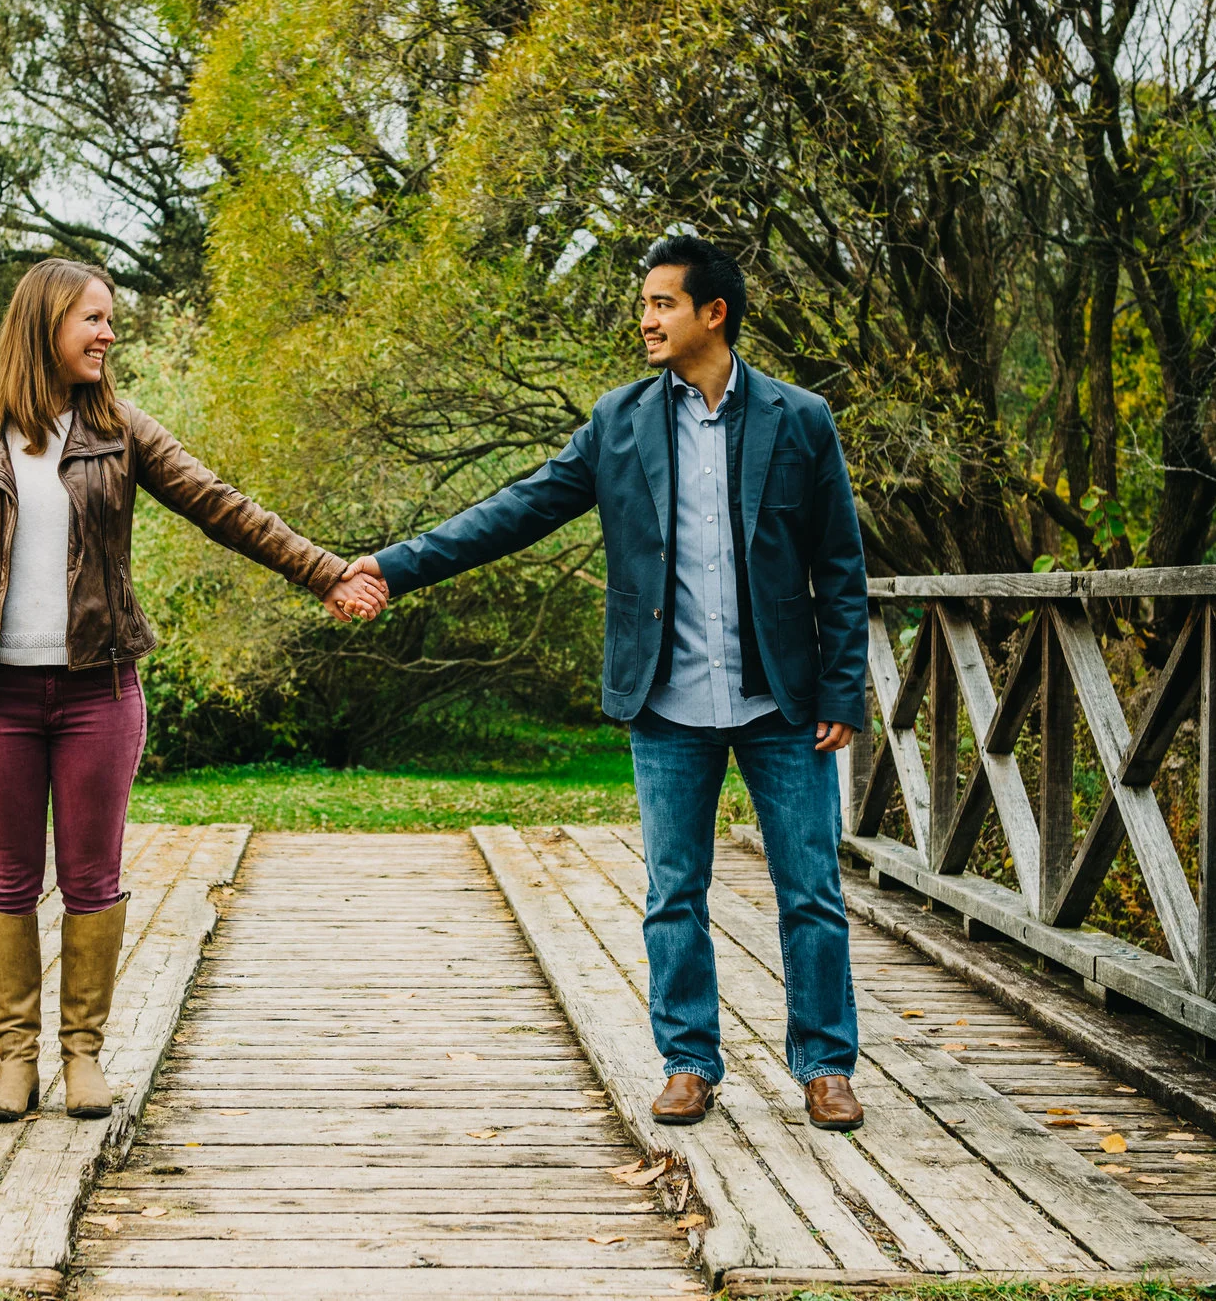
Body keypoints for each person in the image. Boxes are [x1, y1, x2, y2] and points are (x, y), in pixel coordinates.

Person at [344, 235, 870, 1130]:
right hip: (664, 699)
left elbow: (841, 565)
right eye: (645, 304)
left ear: (714, 313)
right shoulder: (618, 422)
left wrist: (842, 689)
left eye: (663, 303)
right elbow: (518, 509)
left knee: (811, 892)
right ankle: (688, 1061)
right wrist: (397, 567)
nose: (646, 320)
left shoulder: (800, 419)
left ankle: (825, 1066)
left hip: (781, 700)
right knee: (673, 894)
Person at [0, 258, 386, 1124]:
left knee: (93, 877)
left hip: (98, 692)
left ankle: (82, 1054)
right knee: (4, 879)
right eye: (93, 318)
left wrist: (323, 572)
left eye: (109, 318)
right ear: (46, 323)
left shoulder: (123, 432)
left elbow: (222, 506)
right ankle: (15, 1059)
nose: (108, 333)